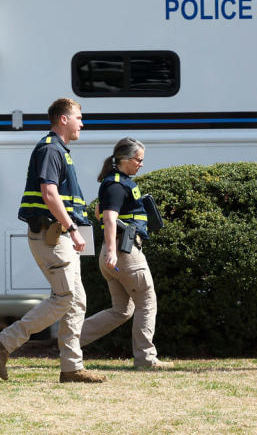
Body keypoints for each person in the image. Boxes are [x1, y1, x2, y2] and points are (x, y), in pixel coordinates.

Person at [0, 98, 105, 383]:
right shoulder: (51, 149)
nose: (82, 124)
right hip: (53, 236)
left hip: (57, 235)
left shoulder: (60, 150)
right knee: (65, 298)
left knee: (76, 301)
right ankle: (3, 342)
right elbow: (49, 194)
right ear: (63, 119)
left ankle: (72, 368)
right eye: (78, 118)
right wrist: (72, 228)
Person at [80, 137, 171, 369]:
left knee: (122, 309)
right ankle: (146, 359)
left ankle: (69, 341)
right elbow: (109, 219)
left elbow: (100, 214)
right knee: (147, 301)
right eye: (139, 160)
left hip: (115, 252)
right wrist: (112, 251)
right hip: (124, 252)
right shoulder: (117, 185)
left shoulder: (114, 183)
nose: (141, 164)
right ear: (125, 159)